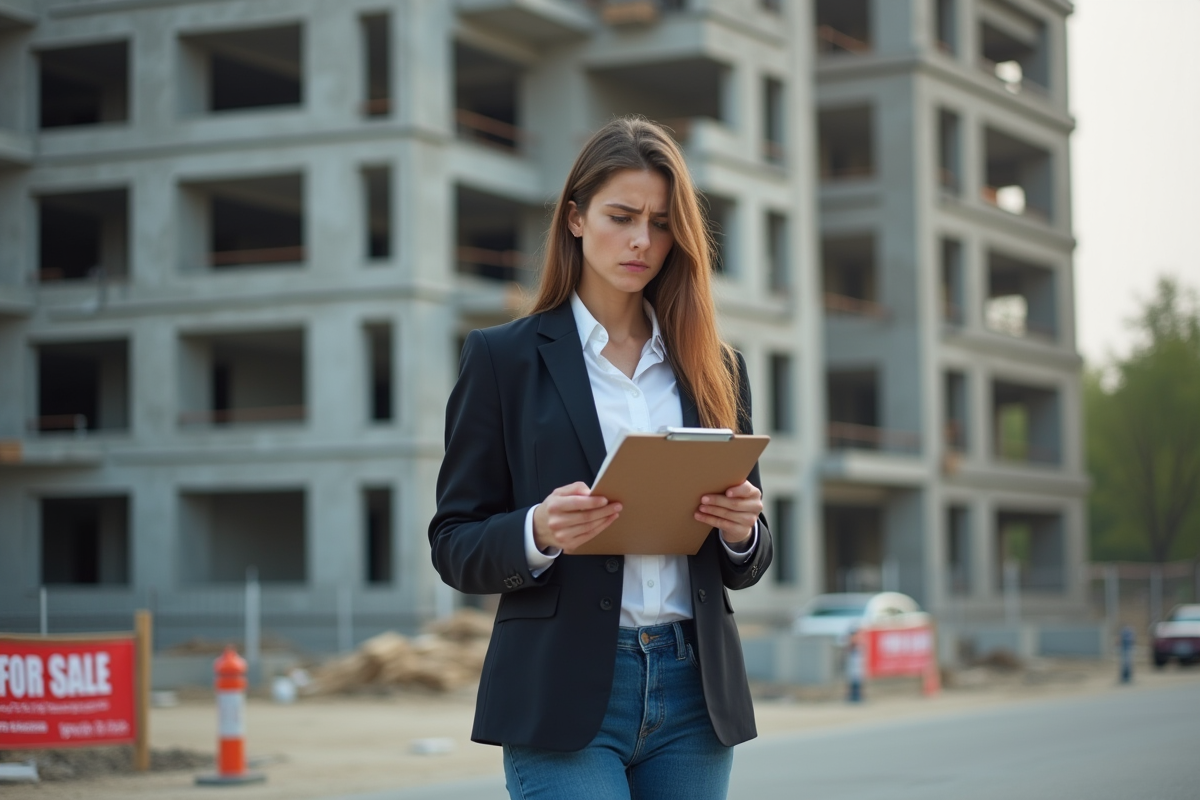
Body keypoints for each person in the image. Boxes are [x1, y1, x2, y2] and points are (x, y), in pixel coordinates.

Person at [429, 116, 772, 800]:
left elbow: (750, 559)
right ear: (576, 218)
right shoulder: (503, 359)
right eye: (622, 217)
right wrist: (537, 531)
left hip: (695, 692)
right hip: (561, 690)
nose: (642, 240)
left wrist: (741, 532)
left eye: (662, 223)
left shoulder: (717, 367)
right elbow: (453, 543)